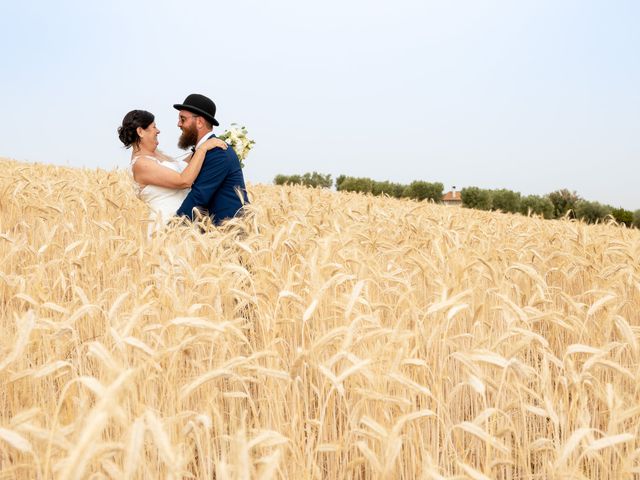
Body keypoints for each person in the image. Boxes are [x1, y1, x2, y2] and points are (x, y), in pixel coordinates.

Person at [117, 109, 228, 232]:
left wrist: (213, 148)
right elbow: (184, 180)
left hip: (185, 223)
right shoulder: (141, 164)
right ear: (140, 131)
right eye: (154, 127)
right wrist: (203, 148)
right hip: (167, 226)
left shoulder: (156, 155)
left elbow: (184, 166)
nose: (158, 130)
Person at [173, 94, 249, 225]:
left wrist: (170, 230)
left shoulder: (218, 153)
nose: (178, 124)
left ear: (200, 122)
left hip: (229, 234)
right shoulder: (202, 151)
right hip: (213, 236)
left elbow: (198, 197)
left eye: (183, 119)